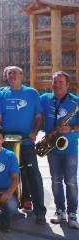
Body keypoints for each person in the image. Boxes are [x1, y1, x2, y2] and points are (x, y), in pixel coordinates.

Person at [0, 66, 46, 224]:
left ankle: (40, 212)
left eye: (16, 73)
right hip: (7, 145)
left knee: (33, 176)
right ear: (6, 77)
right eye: (10, 73)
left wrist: (35, 132)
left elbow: (39, 116)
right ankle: (10, 209)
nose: (13, 75)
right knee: (8, 177)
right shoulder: (1, 95)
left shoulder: (32, 93)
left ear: (22, 76)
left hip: (27, 143)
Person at [41, 71, 79, 228]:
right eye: (54, 82)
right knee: (56, 181)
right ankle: (60, 211)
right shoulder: (45, 99)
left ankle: (72, 214)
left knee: (70, 181)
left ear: (68, 85)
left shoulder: (76, 102)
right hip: (52, 148)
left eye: (60, 82)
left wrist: (71, 128)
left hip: (69, 148)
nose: (56, 85)